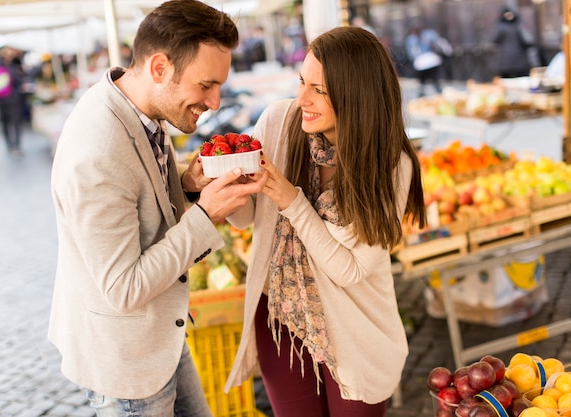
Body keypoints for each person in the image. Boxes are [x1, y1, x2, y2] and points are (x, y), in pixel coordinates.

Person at [47, 1, 267, 416]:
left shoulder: (139, 107)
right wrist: (208, 216)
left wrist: (187, 184)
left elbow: (139, 193)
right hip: (127, 361)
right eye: (206, 85)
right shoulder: (97, 151)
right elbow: (124, 288)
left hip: (161, 337)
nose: (215, 102)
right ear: (160, 68)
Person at [224, 27, 427, 416]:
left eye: (318, 89)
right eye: (302, 81)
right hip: (281, 318)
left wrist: (291, 199)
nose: (301, 98)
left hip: (355, 330)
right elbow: (247, 219)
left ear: (355, 95)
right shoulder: (279, 123)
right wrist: (230, 186)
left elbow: (349, 270)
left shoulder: (390, 164)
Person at [0, 49, 25, 156]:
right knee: (15, 123)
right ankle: (16, 145)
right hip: (13, 100)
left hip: (1, 101)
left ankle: (9, 145)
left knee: (5, 124)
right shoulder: (11, 69)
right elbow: (19, 82)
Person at [492, 6, 533, 78]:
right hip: (520, 60)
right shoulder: (519, 25)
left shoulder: (501, 27)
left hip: (506, 61)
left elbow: (495, 40)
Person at [405, 25, 444, 97]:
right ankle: (439, 94)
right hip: (431, 61)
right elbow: (438, 45)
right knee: (434, 81)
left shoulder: (411, 39)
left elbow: (411, 54)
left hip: (423, 63)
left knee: (423, 83)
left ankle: (423, 96)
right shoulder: (430, 34)